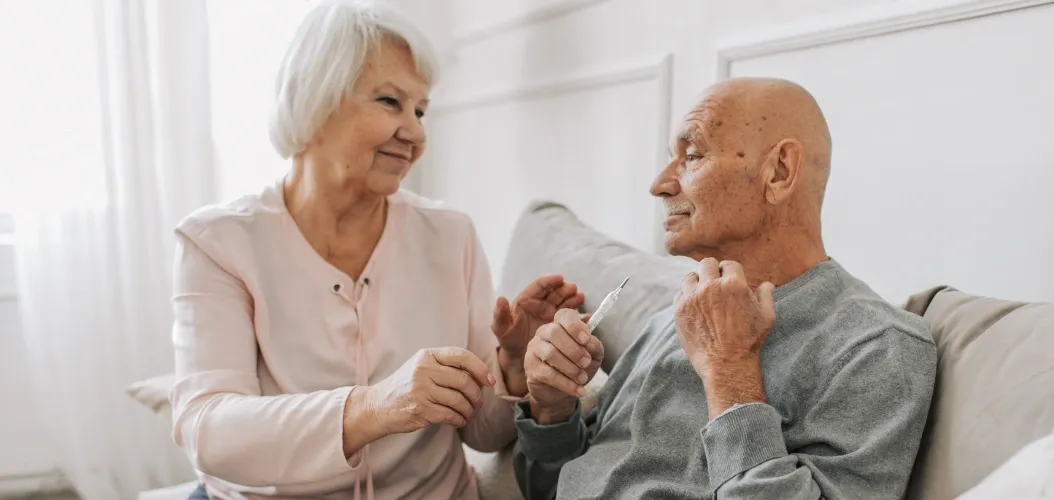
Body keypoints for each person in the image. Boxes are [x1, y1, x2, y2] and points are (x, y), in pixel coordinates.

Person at [169, 1, 583, 499]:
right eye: (390, 101)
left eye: (421, 109)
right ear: (315, 102)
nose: (415, 132)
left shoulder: (451, 236)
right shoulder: (218, 242)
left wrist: (514, 369)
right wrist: (375, 406)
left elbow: (482, 432)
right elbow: (208, 429)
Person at [512, 78, 939, 499]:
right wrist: (552, 411)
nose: (659, 184)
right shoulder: (671, 316)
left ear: (779, 171)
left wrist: (730, 370)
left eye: (692, 156)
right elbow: (549, 487)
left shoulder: (878, 348)